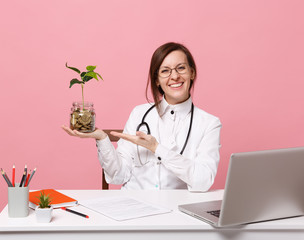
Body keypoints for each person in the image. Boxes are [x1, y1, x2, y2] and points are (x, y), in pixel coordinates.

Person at [62, 42, 221, 192]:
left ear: (192, 73)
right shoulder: (139, 113)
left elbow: (203, 181)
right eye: (165, 71)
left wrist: (156, 148)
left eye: (181, 68)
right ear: (157, 80)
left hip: (175, 210)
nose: (174, 76)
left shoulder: (209, 124)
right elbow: (119, 175)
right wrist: (102, 139)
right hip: (134, 205)